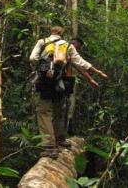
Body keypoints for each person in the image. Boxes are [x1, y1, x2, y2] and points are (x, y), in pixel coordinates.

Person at [29, 26, 107, 158]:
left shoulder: (42, 42)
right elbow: (80, 62)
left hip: (44, 83)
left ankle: (49, 146)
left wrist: (41, 67)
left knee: (44, 112)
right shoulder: (67, 46)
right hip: (59, 83)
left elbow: (32, 58)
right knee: (59, 111)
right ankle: (60, 139)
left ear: (52, 32)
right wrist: (97, 72)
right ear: (62, 34)